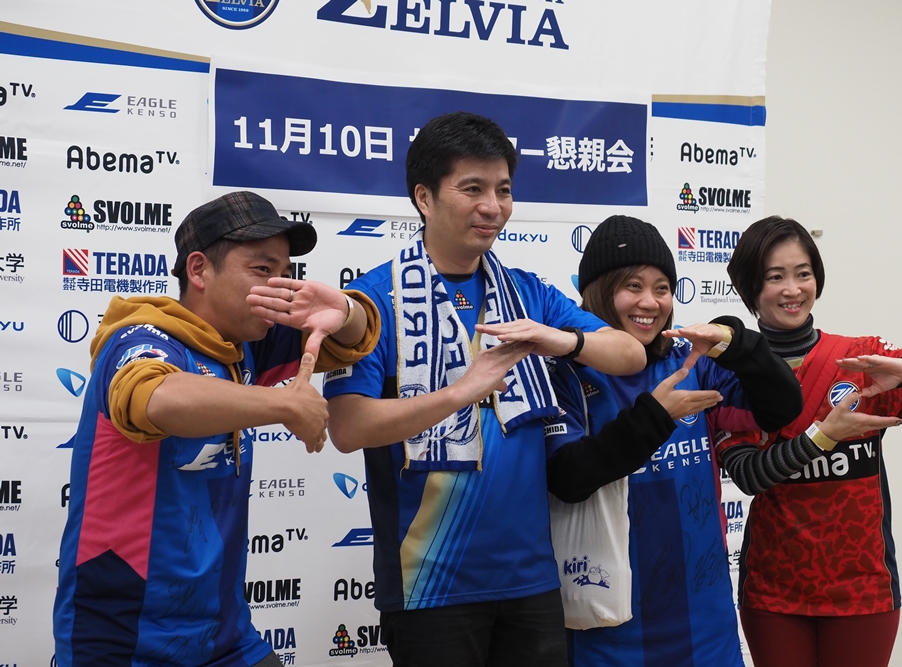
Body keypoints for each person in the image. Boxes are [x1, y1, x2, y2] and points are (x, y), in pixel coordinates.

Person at [324, 111, 646, 666]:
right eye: (473, 189)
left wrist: (560, 340)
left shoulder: (527, 295)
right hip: (428, 583)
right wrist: (457, 394)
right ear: (424, 198)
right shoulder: (374, 302)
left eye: (503, 189)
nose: (493, 207)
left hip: (531, 580)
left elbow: (630, 354)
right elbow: (348, 428)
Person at [53, 191, 380, 667]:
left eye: (287, 272)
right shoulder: (140, 338)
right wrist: (284, 404)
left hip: (225, 635)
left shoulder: (244, 344)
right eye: (262, 269)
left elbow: (351, 340)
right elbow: (156, 396)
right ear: (199, 270)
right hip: (124, 640)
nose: (280, 286)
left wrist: (345, 311)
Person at [717, 215, 902, 667]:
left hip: (863, 590)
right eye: (775, 277)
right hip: (773, 592)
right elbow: (750, 476)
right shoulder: (732, 373)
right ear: (750, 287)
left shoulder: (861, 357)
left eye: (803, 273)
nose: (792, 289)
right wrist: (823, 437)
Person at [543, 215, 803, 667]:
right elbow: (567, 478)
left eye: (662, 287)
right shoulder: (566, 372)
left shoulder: (690, 360)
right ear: (599, 291)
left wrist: (737, 342)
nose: (650, 301)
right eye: (633, 286)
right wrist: (655, 418)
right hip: (608, 622)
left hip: (705, 621)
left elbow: (782, 408)